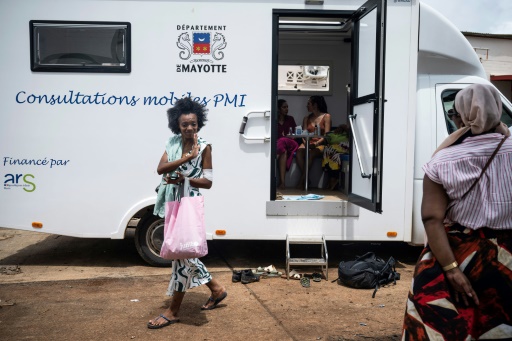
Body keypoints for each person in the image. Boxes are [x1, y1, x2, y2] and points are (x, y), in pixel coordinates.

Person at [402, 84, 512, 340]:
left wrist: (452, 270)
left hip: (456, 253)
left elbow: (431, 218)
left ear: (461, 117)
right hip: (506, 256)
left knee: (444, 327)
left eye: (453, 114)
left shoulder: (442, 161)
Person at [148, 97, 227, 329]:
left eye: (193, 123)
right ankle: (217, 289)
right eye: (185, 125)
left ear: (198, 123)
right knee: (182, 253)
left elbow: (208, 182)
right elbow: (160, 169)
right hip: (173, 202)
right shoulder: (172, 142)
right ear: (177, 126)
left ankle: (173, 311)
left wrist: (185, 177)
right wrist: (185, 159)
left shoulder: (205, 147)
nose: (189, 128)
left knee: (183, 255)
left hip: (188, 204)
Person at [295, 95, 332, 189]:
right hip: (308, 143)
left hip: (321, 144)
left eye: (308, 104)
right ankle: (306, 178)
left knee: (311, 153)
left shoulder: (326, 116)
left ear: (315, 105)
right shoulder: (306, 118)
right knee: (299, 152)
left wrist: (316, 144)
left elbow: (327, 135)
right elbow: (303, 134)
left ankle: (301, 181)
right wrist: (305, 143)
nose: (306, 106)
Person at [276, 99, 299, 190]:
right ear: (278, 109)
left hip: (290, 143)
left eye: (287, 107)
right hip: (279, 146)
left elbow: (295, 135)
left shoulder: (290, 119)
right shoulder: (274, 120)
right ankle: (282, 183)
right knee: (283, 152)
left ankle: (273, 161)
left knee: (282, 140)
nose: (286, 109)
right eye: (284, 107)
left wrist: (285, 137)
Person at [322, 124, 350, 190]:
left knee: (332, 153)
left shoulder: (350, 132)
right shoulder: (334, 133)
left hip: (345, 146)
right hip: (336, 148)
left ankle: (333, 179)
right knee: (328, 151)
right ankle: (333, 178)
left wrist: (346, 129)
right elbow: (327, 139)